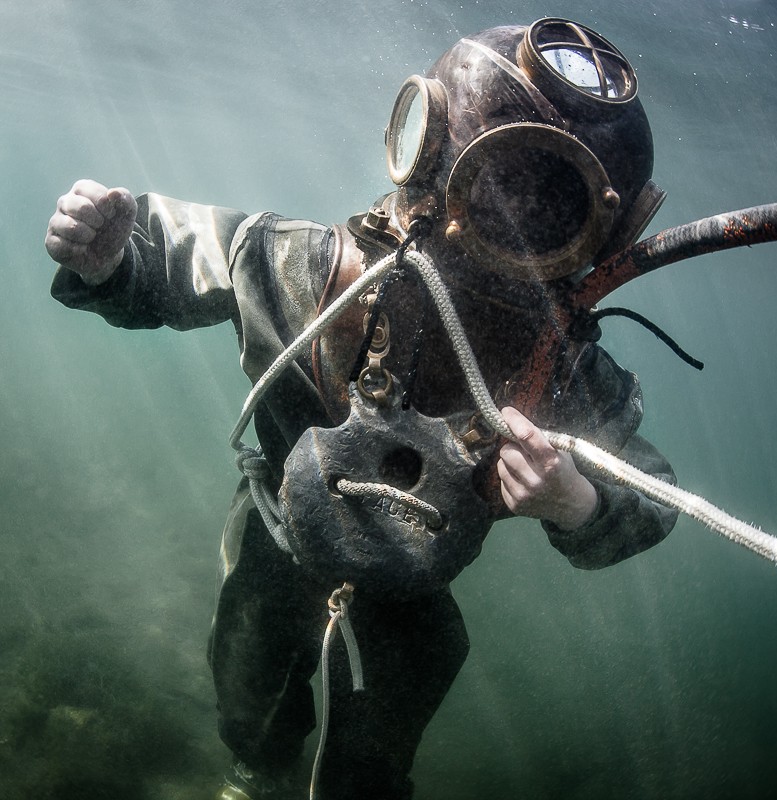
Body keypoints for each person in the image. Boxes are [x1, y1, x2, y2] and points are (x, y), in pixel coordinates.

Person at [45, 18, 678, 800]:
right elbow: (181, 252)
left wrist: (576, 501)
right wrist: (112, 259)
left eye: (538, 206)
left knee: (369, 772)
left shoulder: (558, 372)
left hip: (409, 600)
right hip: (272, 543)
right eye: (492, 187)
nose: (489, 223)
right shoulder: (308, 270)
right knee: (249, 701)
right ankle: (253, 771)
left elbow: (651, 491)